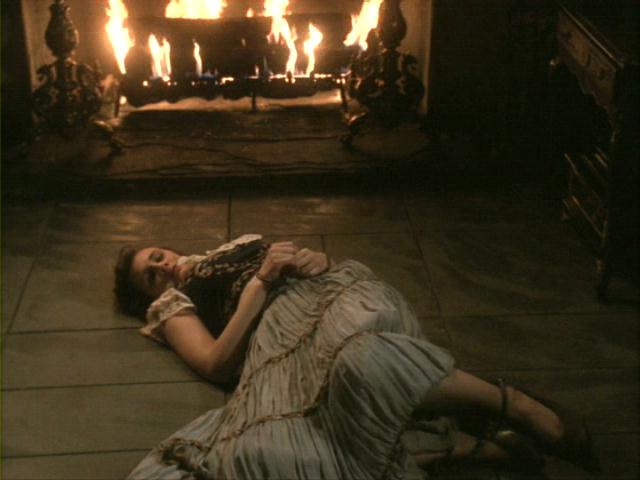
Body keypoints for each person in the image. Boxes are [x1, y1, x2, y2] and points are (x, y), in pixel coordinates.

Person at [115, 234, 600, 479]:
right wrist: (260, 284)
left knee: (361, 351)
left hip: (329, 293)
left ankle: (515, 406)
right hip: (279, 340)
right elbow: (215, 363)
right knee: (329, 400)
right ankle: (468, 442)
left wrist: (313, 259)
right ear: (149, 295)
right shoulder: (173, 306)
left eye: (157, 256)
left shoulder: (231, 247)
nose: (163, 268)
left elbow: (299, 259)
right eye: (150, 276)